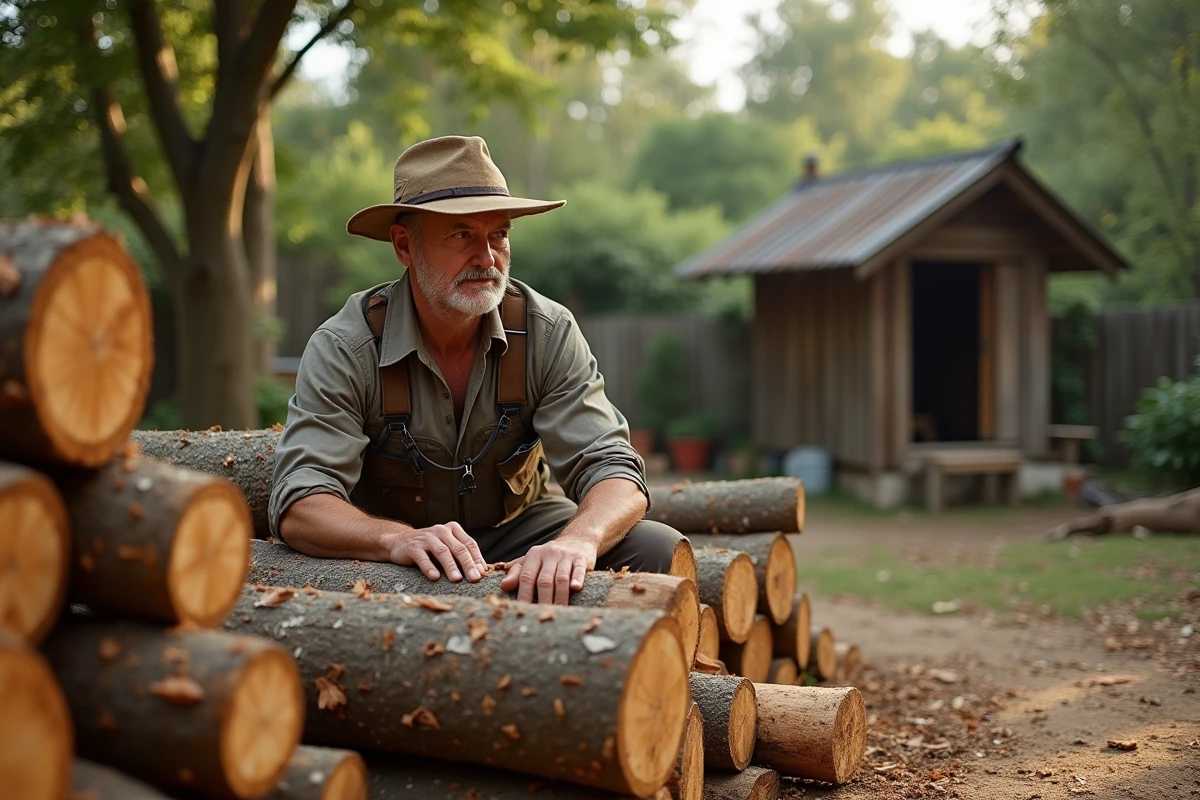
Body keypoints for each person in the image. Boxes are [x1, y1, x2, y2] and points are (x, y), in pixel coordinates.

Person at [269, 135, 682, 605]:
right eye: (462, 235)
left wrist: (578, 541)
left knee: (655, 546)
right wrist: (394, 539)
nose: (487, 258)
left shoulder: (546, 331)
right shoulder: (346, 346)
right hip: (396, 553)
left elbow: (612, 466)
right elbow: (301, 501)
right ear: (404, 245)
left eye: (499, 235)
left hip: (517, 534)